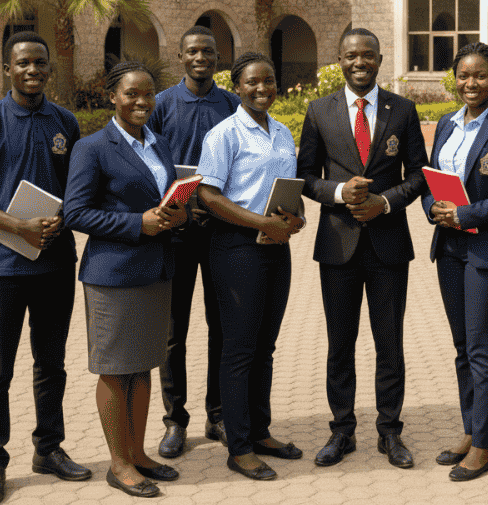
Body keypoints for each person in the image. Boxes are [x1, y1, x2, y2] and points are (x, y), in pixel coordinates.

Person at [0, 31, 91, 505]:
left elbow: (77, 186)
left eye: (40, 63)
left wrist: (64, 217)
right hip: (2, 267)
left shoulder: (65, 122)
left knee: (51, 365)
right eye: (23, 63)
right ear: (6, 69)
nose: (32, 70)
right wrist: (17, 225)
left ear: (49, 69)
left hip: (54, 263)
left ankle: (49, 449)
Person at [297, 27, 428, 470]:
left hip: (389, 245)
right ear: (339, 58)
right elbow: (306, 175)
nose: (360, 62)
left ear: (379, 59)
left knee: (389, 343)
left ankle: (390, 432)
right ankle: (342, 431)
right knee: (341, 344)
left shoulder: (404, 110)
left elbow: (420, 175)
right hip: (338, 246)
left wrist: (385, 202)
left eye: (368, 55)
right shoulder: (319, 111)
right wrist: (338, 193)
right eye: (351, 55)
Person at [63, 62, 188, 498]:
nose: (141, 102)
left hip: (155, 271)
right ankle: (118, 466)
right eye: (132, 93)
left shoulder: (160, 144)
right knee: (117, 371)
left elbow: (163, 199)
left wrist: (177, 213)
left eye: (149, 94)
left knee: (145, 364)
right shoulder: (92, 147)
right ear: (112, 96)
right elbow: (75, 213)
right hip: (112, 275)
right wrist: (139, 223)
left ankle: (137, 453)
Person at [422, 43, 488, 481]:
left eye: (480, 76)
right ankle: (471, 429)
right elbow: (433, 178)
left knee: (482, 347)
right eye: (464, 76)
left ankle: (484, 446)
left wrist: (465, 214)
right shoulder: (447, 124)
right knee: (463, 348)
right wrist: (433, 206)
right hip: (449, 247)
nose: (471, 83)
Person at [196, 52, 305, 481]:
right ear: (237, 87)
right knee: (239, 349)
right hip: (236, 249)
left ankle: (260, 432)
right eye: (252, 82)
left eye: (269, 81)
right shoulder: (224, 134)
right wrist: (262, 222)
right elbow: (208, 194)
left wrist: (293, 218)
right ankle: (238, 447)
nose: (262, 89)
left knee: (266, 347)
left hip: (276, 248)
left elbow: (285, 189)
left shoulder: (280, 131)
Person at [148, 25, 241, 458]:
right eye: (192, 51)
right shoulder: (162, 104)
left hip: (222, 232)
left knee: (221, 327)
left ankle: (218, 414)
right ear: (180, 57)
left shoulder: (233, 104)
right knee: (173, 332)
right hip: (176, 234)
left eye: (208, 50)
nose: (200, 57)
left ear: (218, 57)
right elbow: (146, 162)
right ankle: (174, 420)